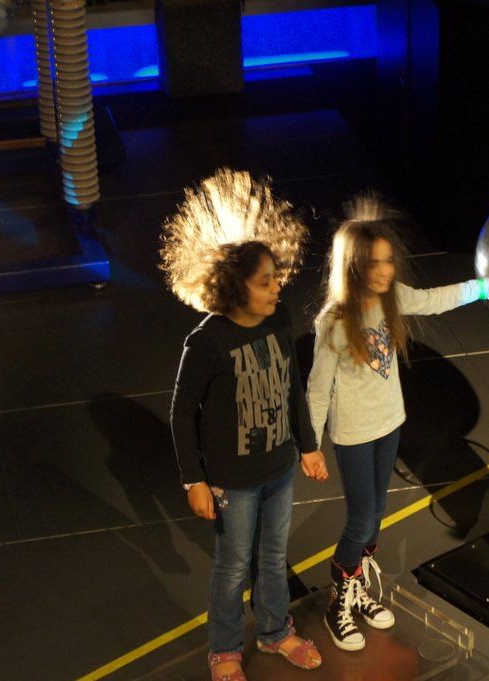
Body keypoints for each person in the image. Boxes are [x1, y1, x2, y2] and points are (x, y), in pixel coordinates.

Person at [306, 195, 489, 651]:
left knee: (376, 514)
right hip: (354, 435)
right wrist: (310, 445)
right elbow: (317, 389)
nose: (385, 271)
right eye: (374, 263)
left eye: (388, 261)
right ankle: (339, 601)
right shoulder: (334, 321)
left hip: (389, 426)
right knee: (361, 520)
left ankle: (358, 588)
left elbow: (436, 300)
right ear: (353, 266)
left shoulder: (391, 299)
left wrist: (487, 285)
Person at [162, 169, 330, 681]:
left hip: (278, 469)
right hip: (231, 481)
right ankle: (225, 650)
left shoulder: (279, 322)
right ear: (236, 289)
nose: (278, 286)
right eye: (265, 282)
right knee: (233, 565)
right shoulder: (206, 342)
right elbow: (181, 413)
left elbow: (292, 387)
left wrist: (307, 445)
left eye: (276, 276)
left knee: (273, 557)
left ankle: (276, 632)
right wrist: (194, 480)